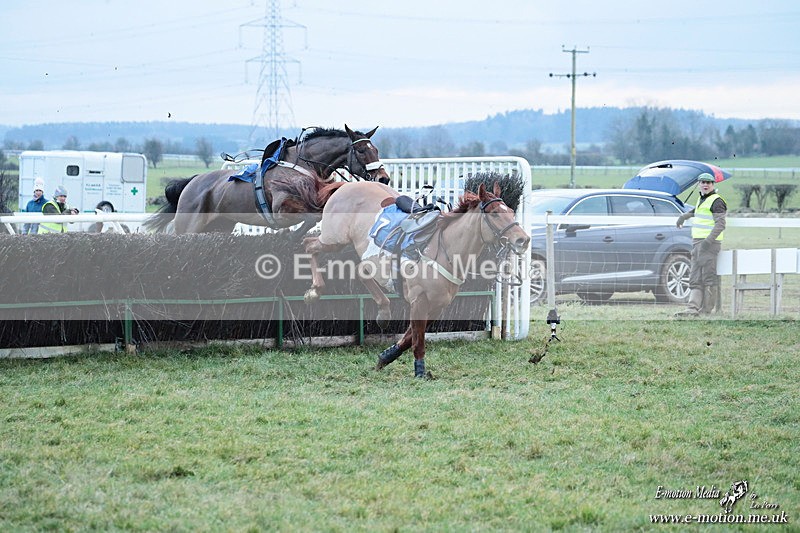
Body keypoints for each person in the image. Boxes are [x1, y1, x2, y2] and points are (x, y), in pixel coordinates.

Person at [674, 173, 727, 316]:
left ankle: (706, 311)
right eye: (703, 182)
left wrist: (707, 242)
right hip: (697, 243)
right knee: (695, 277)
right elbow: (698, 212)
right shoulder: (702, 199)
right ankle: (692, 309)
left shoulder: (717, 201)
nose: (705, 185)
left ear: (713, 184)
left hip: (709, 244)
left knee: (708, 278)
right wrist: (685, 216)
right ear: (699, 184)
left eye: (709, 182)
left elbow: (720, 224)